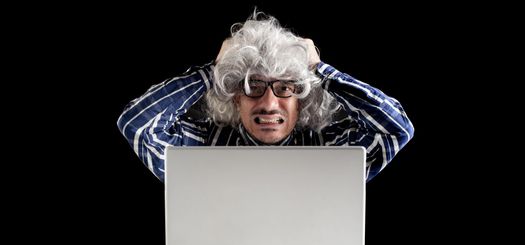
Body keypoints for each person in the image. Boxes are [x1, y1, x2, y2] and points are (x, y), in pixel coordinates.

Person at [117, 12, 414, 182]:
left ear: (302, 97)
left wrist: (320, 70)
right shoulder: (203, 146)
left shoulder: (329, 148)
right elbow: (137, 124)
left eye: (285, 87)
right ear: (236, 98)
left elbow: (396, 129)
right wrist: (214, 71)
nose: (269, 103)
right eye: (253, 86)